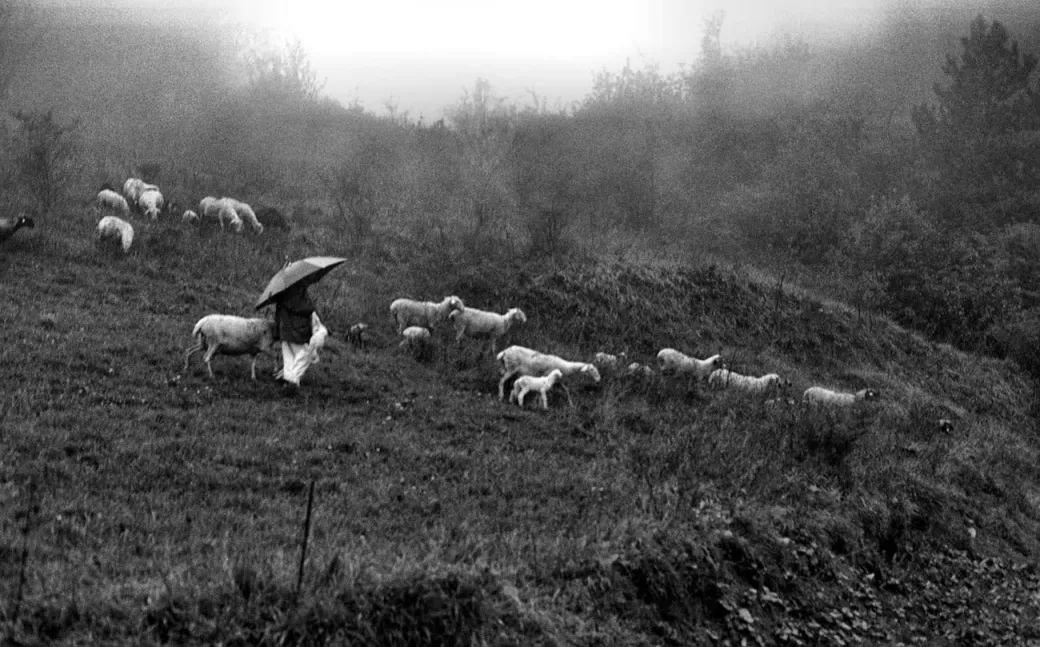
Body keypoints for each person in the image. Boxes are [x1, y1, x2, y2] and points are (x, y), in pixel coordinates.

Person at [274, 283, 325, 386]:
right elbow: (299, 306)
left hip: (285, 331)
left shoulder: (282, 291)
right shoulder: (295, 290)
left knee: (289, 359)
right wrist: (312, 308)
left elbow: (280, 312)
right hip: (297, 332)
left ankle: (287, 382)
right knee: (304, 356)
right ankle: (292, 381)